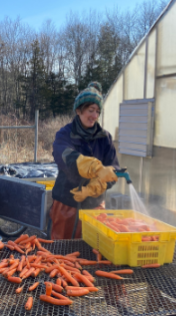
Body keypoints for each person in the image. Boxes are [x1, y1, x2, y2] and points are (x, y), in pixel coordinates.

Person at [50, 82, 119, 240]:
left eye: (97, 111)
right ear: (79, 110)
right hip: (66, 204)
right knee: (60, 252)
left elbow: (114, 169)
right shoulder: (65, 134)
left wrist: (95, 187)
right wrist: (91, 166)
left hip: (95, 206)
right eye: (90, 110)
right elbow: (64, 155)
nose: (94, 116)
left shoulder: (105, 138)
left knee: (93, 251)